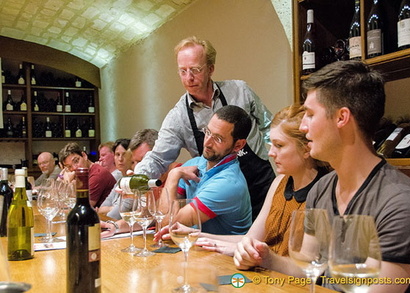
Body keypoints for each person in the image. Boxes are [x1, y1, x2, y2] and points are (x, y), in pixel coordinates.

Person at [233, 60, 410, 293]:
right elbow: (306, 268)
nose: (304, 127)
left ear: (341, 118)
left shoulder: (401, 204)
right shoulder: (322, 189)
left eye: (309, 114)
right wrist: (266, 259)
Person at [134, 36, 275, 220]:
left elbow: (269, 126)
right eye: (182, 71)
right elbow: (158, 158)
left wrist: (278, 156)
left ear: (211, 69)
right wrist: (135, 180)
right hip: (219, 195)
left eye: (195, 70)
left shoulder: (240, 90)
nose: (189, 78)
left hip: (261, 184)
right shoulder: (178, 117)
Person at [195, 105, 328, 256]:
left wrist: (262, 257)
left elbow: (306, 268)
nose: (271, 153)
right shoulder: (279, 183)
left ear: (305, 149)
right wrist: (195, 235)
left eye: (279, 145)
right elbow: (250, 239)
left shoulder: (323, 192)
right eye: (271, 145)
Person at [103, 105, 253, 238]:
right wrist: (117, 227)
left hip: (223, 262)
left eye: (218, 139)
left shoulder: (228, 183)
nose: (207, 142)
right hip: (194, 251)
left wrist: (174, 175)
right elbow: (159, 214)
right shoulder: (197, 163)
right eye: (208, 132)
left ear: (238, 145)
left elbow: (168, 222)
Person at [59, 142, 116, 208]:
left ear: (84, 156)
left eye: (76, 161)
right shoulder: (82, 175)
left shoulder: (97, 175)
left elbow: (83, 206)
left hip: (105, 217)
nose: (74, 168)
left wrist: (68, 183)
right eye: (69, 166)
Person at [98, 139, 133, 219]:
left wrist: (109, 209)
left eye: (124, 155)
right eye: (117, 154)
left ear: (131, 156)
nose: (120, 159)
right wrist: (112, 208)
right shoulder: (120, 180)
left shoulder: (132, 181)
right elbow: (101, 209)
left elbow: (113, 216)